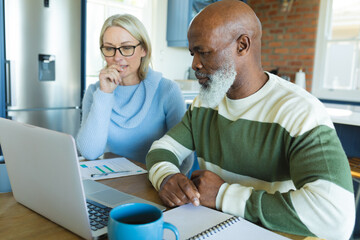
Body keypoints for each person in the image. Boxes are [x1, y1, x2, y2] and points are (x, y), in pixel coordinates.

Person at [145, 1, 355, 239]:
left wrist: (223, 195)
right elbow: (162, 149)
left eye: (204, 52)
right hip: (213, 228)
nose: (195, 64)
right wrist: (167, 177)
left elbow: (336, 216)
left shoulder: (300, 112)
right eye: (193, 53)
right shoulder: (204, 104)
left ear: (242, 45)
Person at [76, 14, 186, 164]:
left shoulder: (168, 91)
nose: (117, 57)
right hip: (112, 181)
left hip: (154, 183)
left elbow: (184, 157)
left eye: (127, 48)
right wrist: (105, 94)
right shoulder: (96, 91)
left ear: (144, 50)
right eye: (109, 48)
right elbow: (89, 152)